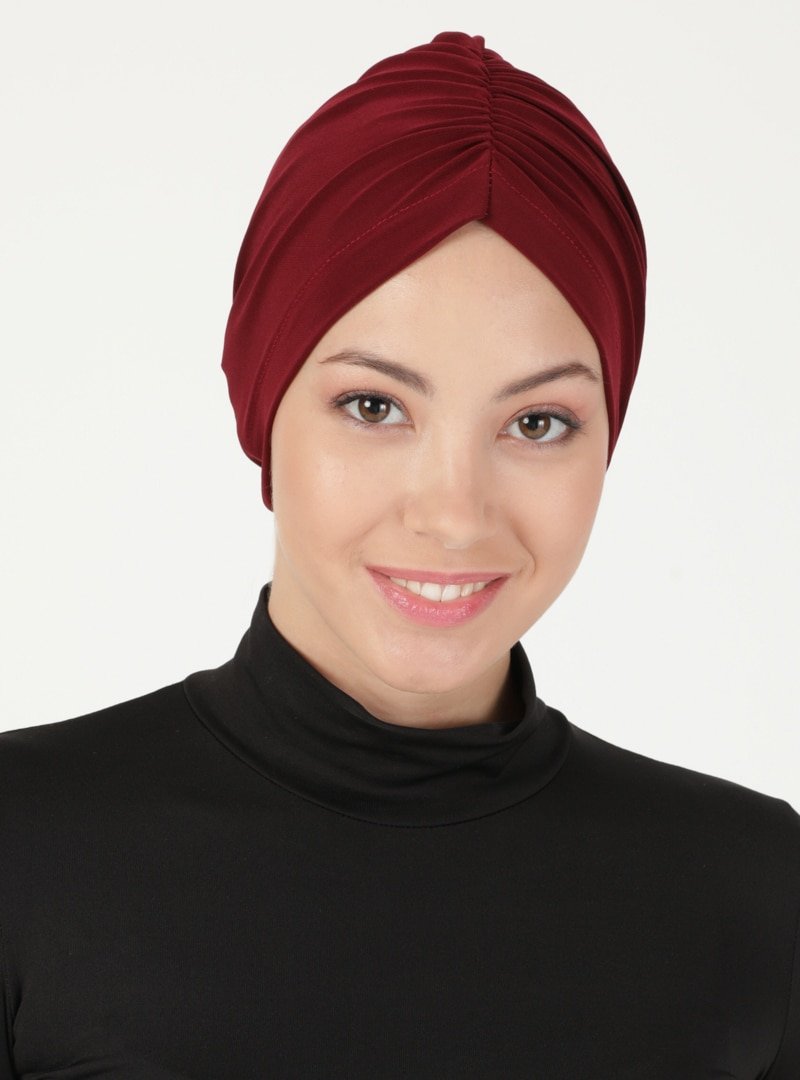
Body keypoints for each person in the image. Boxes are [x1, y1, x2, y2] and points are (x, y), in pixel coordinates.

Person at [0, 30, 797, 1079]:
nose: (454, 515)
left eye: (538, 422)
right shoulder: (23, 850)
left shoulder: (754, 891)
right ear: (261, 411)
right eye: (374, 406)